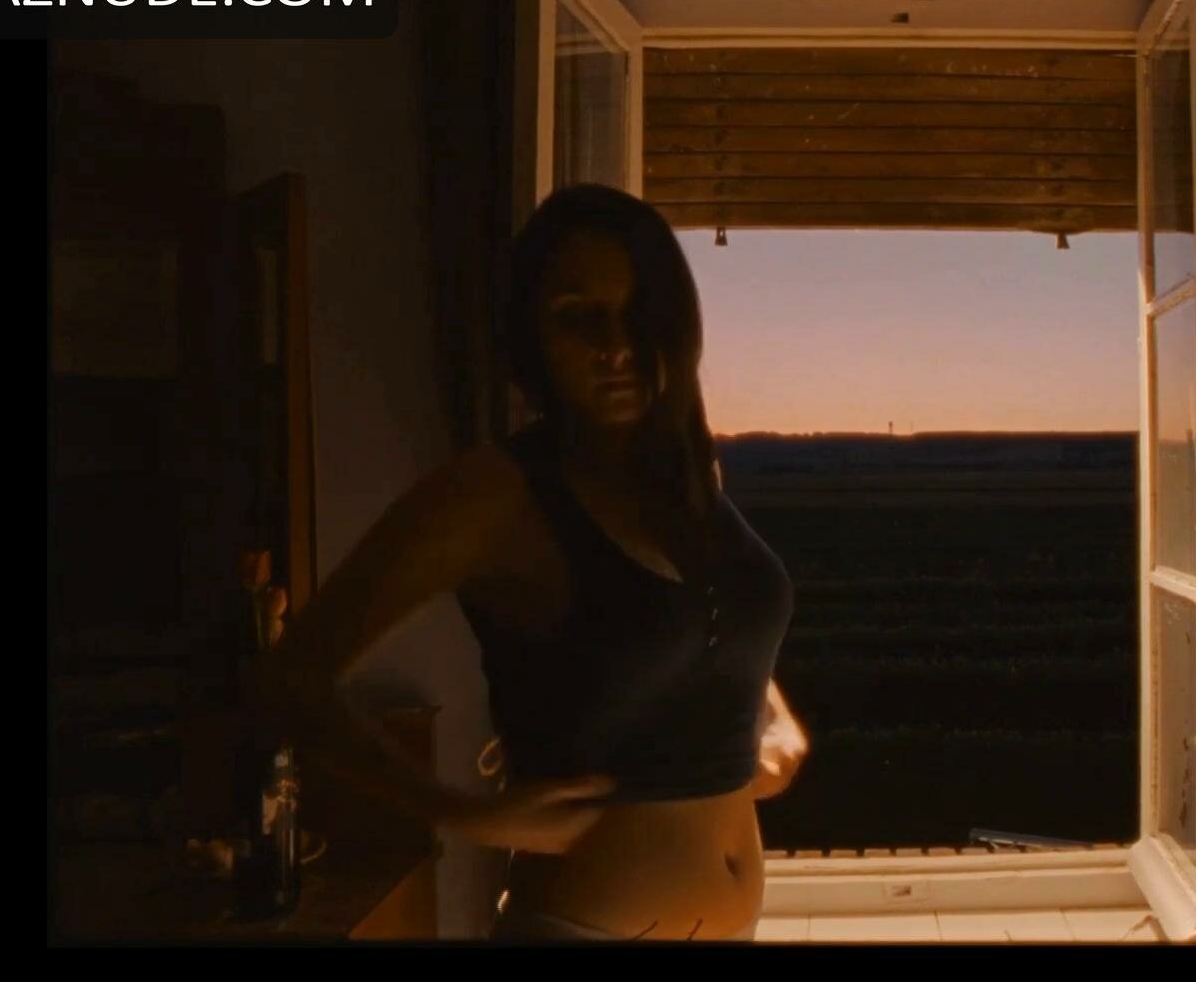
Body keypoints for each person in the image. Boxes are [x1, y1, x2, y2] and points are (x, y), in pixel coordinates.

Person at [253, 183, 806, 941]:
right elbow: (290, 679)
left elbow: (707, 626)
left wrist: (772, 716)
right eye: (578, 317)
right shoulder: (497, 496)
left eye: (639, 312)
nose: (616, 346)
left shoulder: (686, 479)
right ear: (532, 334)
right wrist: (459, 811)